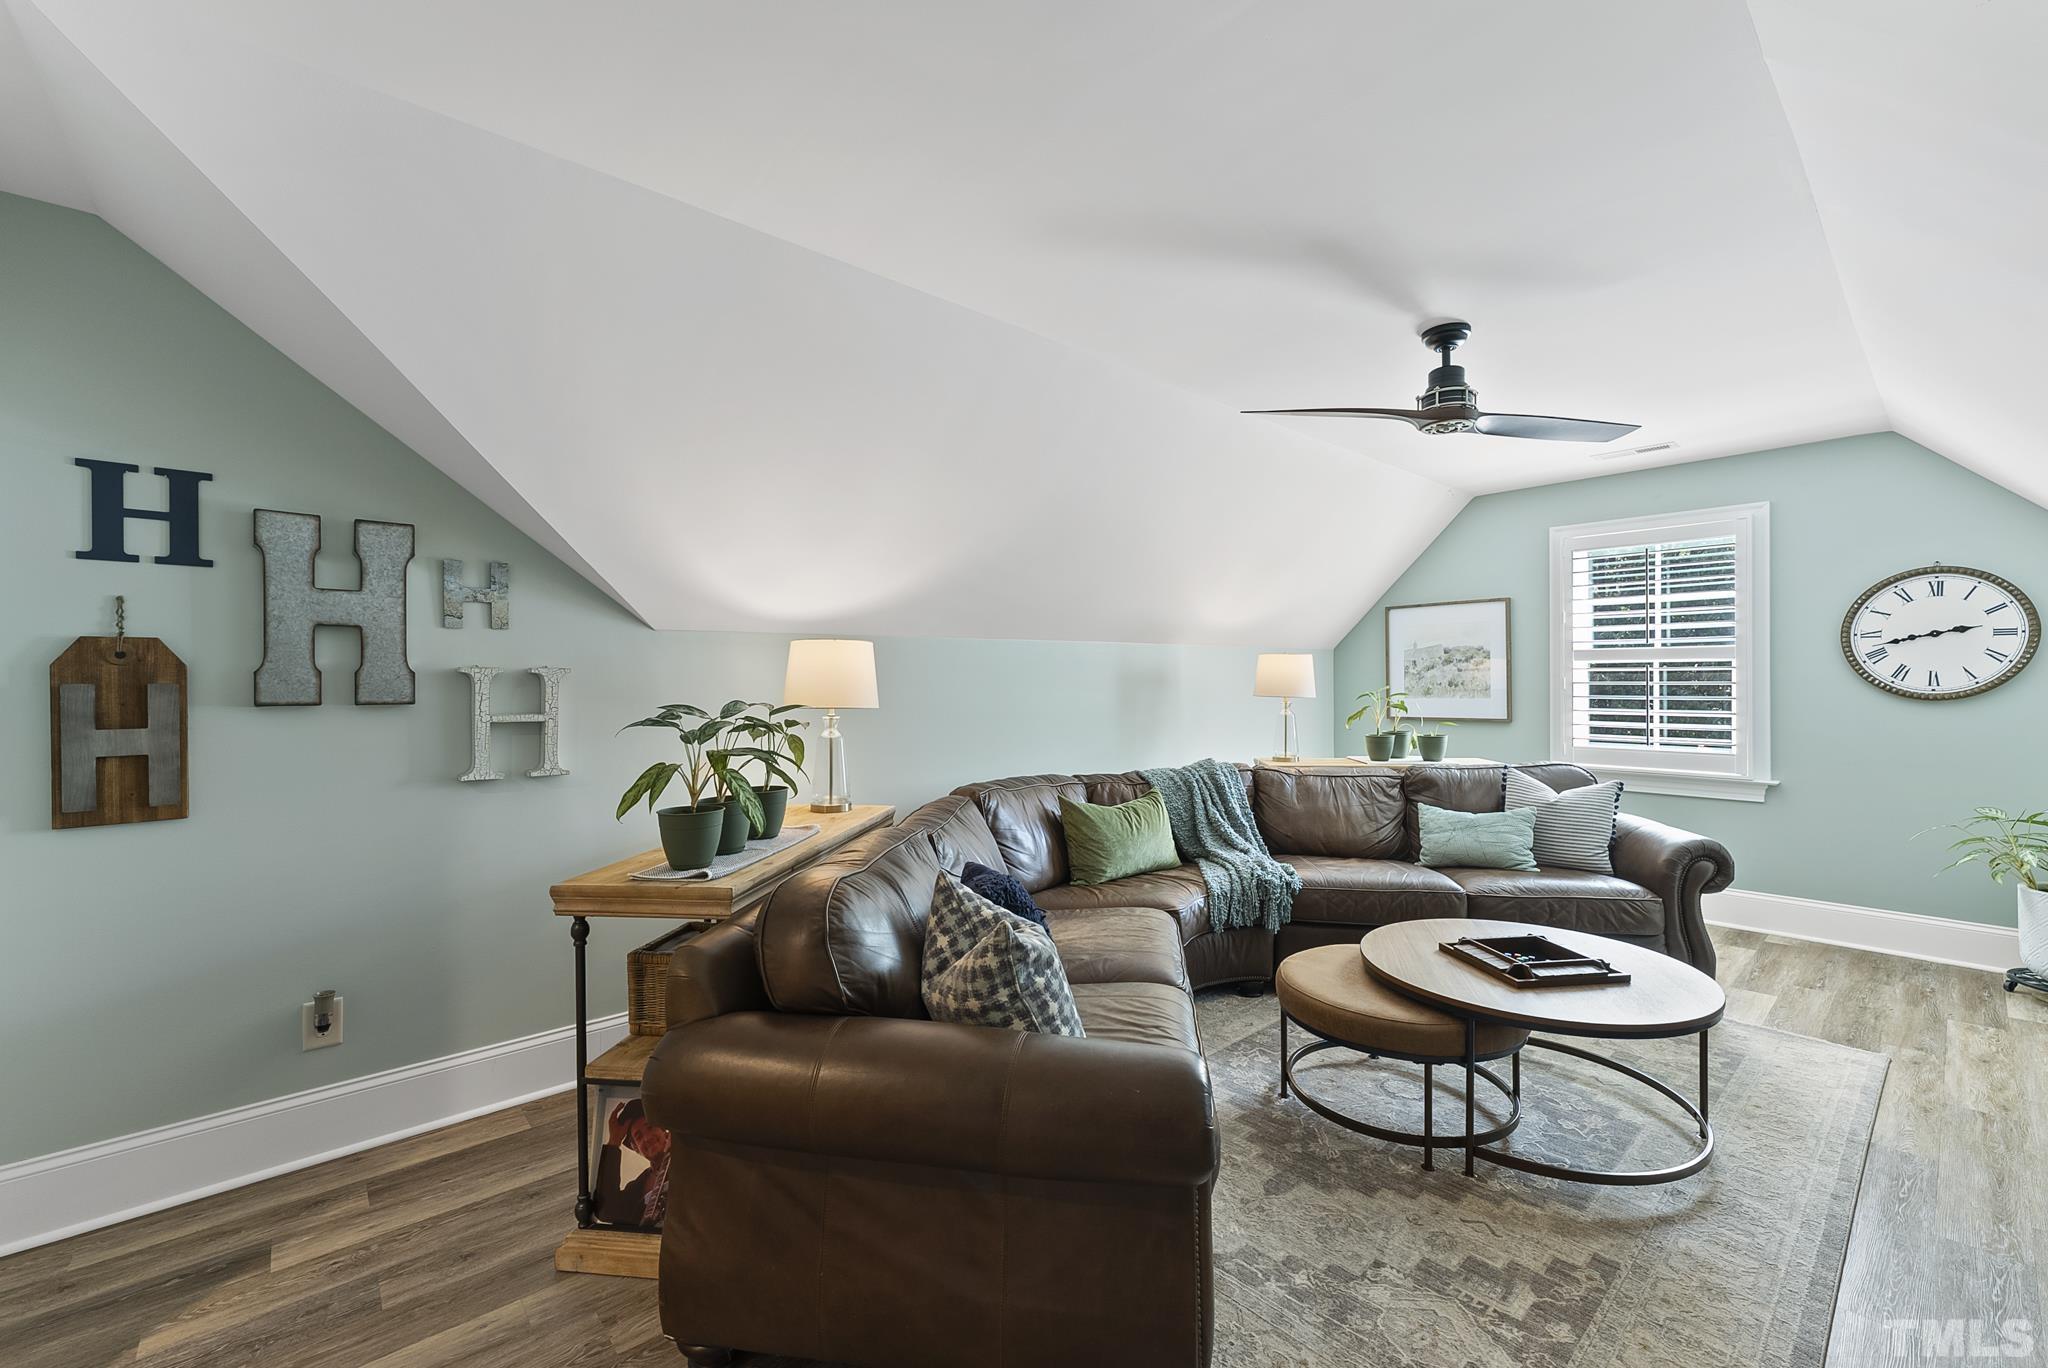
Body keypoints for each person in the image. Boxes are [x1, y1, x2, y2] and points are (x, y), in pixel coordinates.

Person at [594, 1097, 672, 1229]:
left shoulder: (688, 1159)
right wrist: (614, 1141)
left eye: (650, 1127)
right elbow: (605, 1210)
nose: (647, 1138)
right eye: (639, 1136)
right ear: (636, 1149)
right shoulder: (636, 1188)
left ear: (664, 1131)